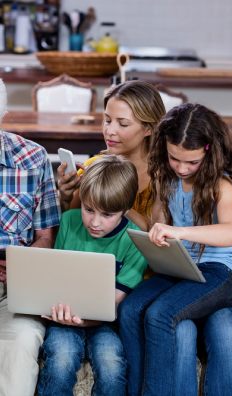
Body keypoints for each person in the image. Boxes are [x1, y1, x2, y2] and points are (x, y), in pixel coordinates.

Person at [118, 103, 232, 396]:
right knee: (130, 309)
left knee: (160, 315)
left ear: (209, 151)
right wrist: (144, 217)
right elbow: (159, 223)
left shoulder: (222, 185)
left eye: (191, 162)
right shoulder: (167, 177)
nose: (181, 168)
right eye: (174, 159)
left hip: (218, 272)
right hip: (179, 265)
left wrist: (178, 232)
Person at [37, 154, 147, 396]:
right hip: (62, 318)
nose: (95, 222)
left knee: (112, 365)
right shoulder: (68, 221)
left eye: (107, 215)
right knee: (61, 360)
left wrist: (84, 320)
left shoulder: (135, 241)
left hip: (104, 324)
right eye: (88, 210)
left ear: (125, 211)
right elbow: (51, 277)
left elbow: (111, 305)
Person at [0, 78, 61, 396]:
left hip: (14, 293)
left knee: (23, 340)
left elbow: (46, 236)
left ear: (3, 114)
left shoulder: (33, 159)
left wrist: (25, 264)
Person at [57, 80, 166, 227]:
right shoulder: (93, 166)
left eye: (123, 124)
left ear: (149, 128)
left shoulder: (165, 176)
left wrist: (117, 199)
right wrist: (65, 197)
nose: (109, 131)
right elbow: (68, 225)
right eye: (107, 120)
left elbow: (155, 235)